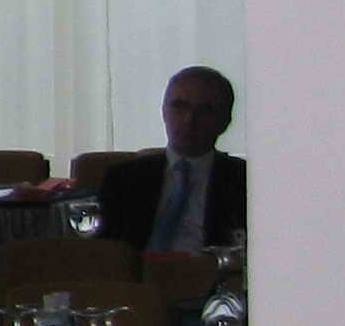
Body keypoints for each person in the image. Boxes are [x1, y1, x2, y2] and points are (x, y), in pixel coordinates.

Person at [96, 67, 246, 254]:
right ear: (164, 112)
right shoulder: (123, 178)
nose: (189, 120)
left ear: (225, 121)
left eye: (204, 110)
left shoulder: (244, 181)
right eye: (179, 106)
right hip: (137, 271)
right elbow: (103, 252)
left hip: (208, 270)